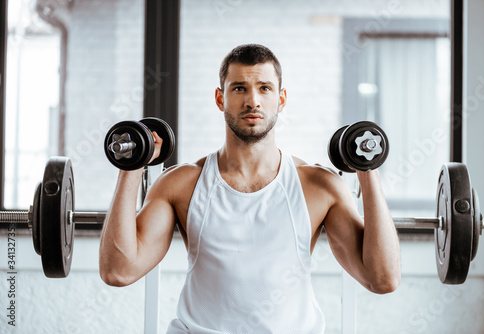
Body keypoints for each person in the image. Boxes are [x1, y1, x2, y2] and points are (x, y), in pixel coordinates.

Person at [99, 44, 401, 333]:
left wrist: (367, 169)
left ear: (281, 99)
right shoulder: (181, 184)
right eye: (239, 88)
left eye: (264, 88)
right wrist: (133, 166)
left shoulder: (318, 187)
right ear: (220, 98)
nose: (253, 101)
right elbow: (119, 271)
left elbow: (383, 279)